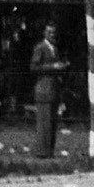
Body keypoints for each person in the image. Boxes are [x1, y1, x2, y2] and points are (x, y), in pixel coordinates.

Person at [30, 22, 69, 158]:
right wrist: (53, 67)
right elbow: (34, 67)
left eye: (54, 32)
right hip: (43, 89)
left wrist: (62, 67)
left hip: (54, 89)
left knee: (52, 123)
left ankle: (49, 151)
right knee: (44, 123)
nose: (52, 35)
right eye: (49, 32)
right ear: (44, 33)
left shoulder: (54, 48)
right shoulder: (40, 47)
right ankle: (42, 152)